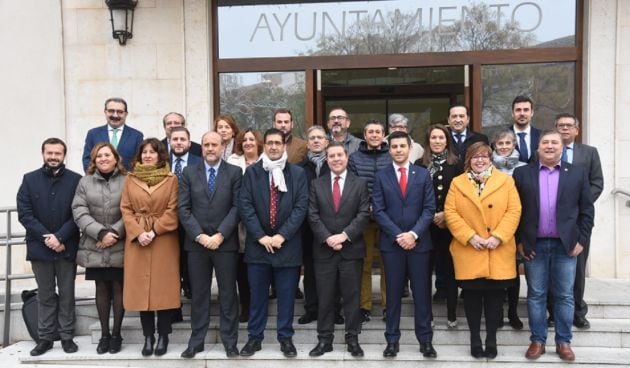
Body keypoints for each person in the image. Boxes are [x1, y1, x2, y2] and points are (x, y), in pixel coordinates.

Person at [514, 130, 594, 362]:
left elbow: (587, 211)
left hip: (566, 245)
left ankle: (563, 341)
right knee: (536, 294)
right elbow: (514, 210)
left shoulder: (577, 174)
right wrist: (520, 240)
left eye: (554, 142)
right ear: (538, 147)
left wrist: (581, 240)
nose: (549, 146)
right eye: (545, 142)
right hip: (534, 245)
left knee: (565, 296)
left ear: (562, 146)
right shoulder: (522, 173)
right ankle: (537, 340)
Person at [444, 142, 522, 359]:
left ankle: (491, 339)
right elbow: (450, 213)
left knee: (495, 296)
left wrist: (498, 236)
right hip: (470, 249)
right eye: (475, 157)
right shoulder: (457, 183)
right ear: (468, 160)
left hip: (497, 249)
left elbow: (514, 210)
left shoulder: (506, 181)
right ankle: (475, 338)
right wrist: (470, 237)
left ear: (490, 158)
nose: (480, 160)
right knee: (471, 296)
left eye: (484, 156)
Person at [238, 128, 309, 358]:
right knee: (257, 296)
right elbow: (245, 206)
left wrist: (281, 236)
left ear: (284, 146)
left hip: (287, 246)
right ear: (264, 146)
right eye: (270, 143)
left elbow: (301, 207)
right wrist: (261, 236)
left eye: (278, 143)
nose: (274, 147)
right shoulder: (252, 173)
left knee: (286, 296)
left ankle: (285, 338)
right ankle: (254, 338)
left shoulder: (297, 174)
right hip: (258, 246)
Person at [372, 131, 437, 359]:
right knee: (392, 296)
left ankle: (425, 340)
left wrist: (413, 234)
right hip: (392, 245)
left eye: (402, 146)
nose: (398, 150)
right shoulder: (381, 176)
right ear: (389, 150)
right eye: (394, 146)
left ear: (410, 148)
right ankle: (392, 340)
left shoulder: (422, 175)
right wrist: (399, 235)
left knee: (422, 294)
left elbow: (429, 208)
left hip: (419, 245)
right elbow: (378, 210)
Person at [178, 131, 242, 358]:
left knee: (227, 295)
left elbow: (237, 207)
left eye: (215, 144)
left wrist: (220, 235)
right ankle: (197, 341)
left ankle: (230, 341)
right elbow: (183, 209)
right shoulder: (188, 172)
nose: (210, 148)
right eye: (206, 144)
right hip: (197, 245)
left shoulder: (235, 172)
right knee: (199, 294)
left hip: (224, 244)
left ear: (223, 146)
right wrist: (200, 236)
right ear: (201, 148)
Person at [17, 138, 82, 356]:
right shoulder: (29, 180)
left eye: (58, 153)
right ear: (43, 153)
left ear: (64, 155)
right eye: (49, 153)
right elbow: (25, 214)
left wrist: (61, 237)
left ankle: (66, 336)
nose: (53, 157)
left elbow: (78, 214)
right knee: (45, 295)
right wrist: (48, 237)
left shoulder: (76, 180)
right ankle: (45, 338)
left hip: (67, 247)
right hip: (40, 248)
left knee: (67, 294)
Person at [307, 141, 370, 358]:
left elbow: (364, 214)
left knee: (352, 298)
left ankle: (352, 338)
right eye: (331, 156)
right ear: (327, 159)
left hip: (351, 249)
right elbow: (312, 215)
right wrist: (327, 238)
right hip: (324, 251)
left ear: (347, 157)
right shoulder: (317, 184)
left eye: (339, 155)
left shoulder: (360, 183)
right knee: (325, 298)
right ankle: (325, 340)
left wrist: (344, 236)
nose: (335, 159)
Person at [120, 138, 180, 357]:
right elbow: (125, 209)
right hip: (137, 240)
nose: (147, 155)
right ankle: (148, 336)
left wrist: (154, 231)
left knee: (162, 289)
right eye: (144, 152)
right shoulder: (130, 179)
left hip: (163, 239)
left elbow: (173, 210)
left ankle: (163, 336)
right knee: (141, 290)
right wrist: (138, 233)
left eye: (152, 152)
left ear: (160, 155)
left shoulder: (171, 179)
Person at [72, 143, 126, 354]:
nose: (103, 159)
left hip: (120, 242)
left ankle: (117, 334)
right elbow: (79, 210)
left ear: (115, 158)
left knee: (118, 287)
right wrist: (101, 233)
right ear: (94, 161)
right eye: (99, 156)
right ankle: (104, 334)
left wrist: (114, 232)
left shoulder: (128, 180)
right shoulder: (84, 182)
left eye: (107, 155)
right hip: (94, 244)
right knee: (101, 288)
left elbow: (131, 209)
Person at [555, 113, 603, 329]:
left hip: (577, 220)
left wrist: (577, 205)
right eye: (560, 126)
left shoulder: (589, 153)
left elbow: (597, 183)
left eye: (568, 126)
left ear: (576, 130)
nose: (564, 129)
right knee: (553, 267)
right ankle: (553, 311)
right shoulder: (546, 151)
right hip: (551, 220)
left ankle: (577, 311)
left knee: (578, 267)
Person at [415, 124, 463, 328]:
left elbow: (463, 195)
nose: (437, 141)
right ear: (428, 141)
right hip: (426, 227)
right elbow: (414, 195)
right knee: (425, 272)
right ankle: (428, 316)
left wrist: (446, 214)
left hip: (450, 226)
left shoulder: (457, 164)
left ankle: (452, 313)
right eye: (433, 138)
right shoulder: (419, 164)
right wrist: (430, 215)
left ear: (447, 141)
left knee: (450, 271)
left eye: (441, 138)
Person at [348, 120, 391, 323]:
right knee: (363, 264)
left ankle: (387, 306)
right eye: (370, 132)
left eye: (378, 132)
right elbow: (354, 185)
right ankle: (364, 306)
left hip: (387, 219)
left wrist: (380, 206)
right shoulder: (354, 158)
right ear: (364, 136)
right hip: (363, 219)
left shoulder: (391, 156)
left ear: (383, 135)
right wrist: (368, 205)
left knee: (387, 264)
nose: (374, 135)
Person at [227, 128, 263, 322]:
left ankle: (260, 303)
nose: (248, 142)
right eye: (244, 140)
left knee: (259, 267)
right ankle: (246, 306)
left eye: (252, 139)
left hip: (262, 222)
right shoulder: (232, 162)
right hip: (239, 223)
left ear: (258, 142)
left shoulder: (268, 161)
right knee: (242, 268)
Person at [491, 128, 526, 330]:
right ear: (494, 146)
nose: (504, 147)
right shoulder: (487, 168)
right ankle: (496, 314)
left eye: (508, 143)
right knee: (496, 272)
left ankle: (512, 312)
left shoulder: (523, 168)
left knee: (512, 272)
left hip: (516, 226)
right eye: (500, 143)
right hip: (492, 227)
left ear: (514, 145)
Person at [297, 126, 331, 325]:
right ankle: (311, 309)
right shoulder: (299, 169)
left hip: (332, 228)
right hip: (307, 229)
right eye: (312, 138)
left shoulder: (336, 164)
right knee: (310, 271)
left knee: (332, 270)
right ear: (307, 143)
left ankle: (333, 309)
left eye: (320, 137)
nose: (316, 141)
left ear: (327, 142)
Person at [169, 126, 202, 302]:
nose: (179, 143)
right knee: (171, 258)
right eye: (175, 139)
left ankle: (189, 286)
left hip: (192, 218)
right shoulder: (161, 162)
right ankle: (174, 290)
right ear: (170, 142)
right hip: (167, 219)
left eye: (182, 139)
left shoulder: (199, 161)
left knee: (189, 256)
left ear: (189, 143)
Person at [82, 97, 143, 171]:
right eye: (111, 111)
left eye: (120, 112)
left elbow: (139, 162)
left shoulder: (137, 136)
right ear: (105, 112)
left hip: (126, 181)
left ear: (126, 114)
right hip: (98, 181)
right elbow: (87, 160)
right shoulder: (93, 134)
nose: (115, 115)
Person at [511, 95, 541, 163]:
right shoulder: (501, 137)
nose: (522, 113)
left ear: (532, 113)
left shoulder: (542, 136)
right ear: (512, 113)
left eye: (526, 110)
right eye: (518, 110)